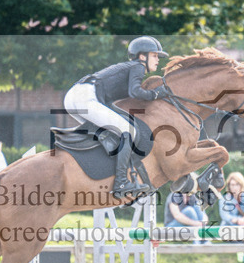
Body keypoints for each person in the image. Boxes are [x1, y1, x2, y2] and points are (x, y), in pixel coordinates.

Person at [63, 36, 171, 196]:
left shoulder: (131, 66)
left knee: (110, 133)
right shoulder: (138, 66)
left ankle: (101, 172)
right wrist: (155, 95)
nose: (157, 60)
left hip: (74, 97)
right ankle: (120, 183)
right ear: (142, 56)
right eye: (155, 55)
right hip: (85, 97)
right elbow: (135, 92)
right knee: (128, 131)